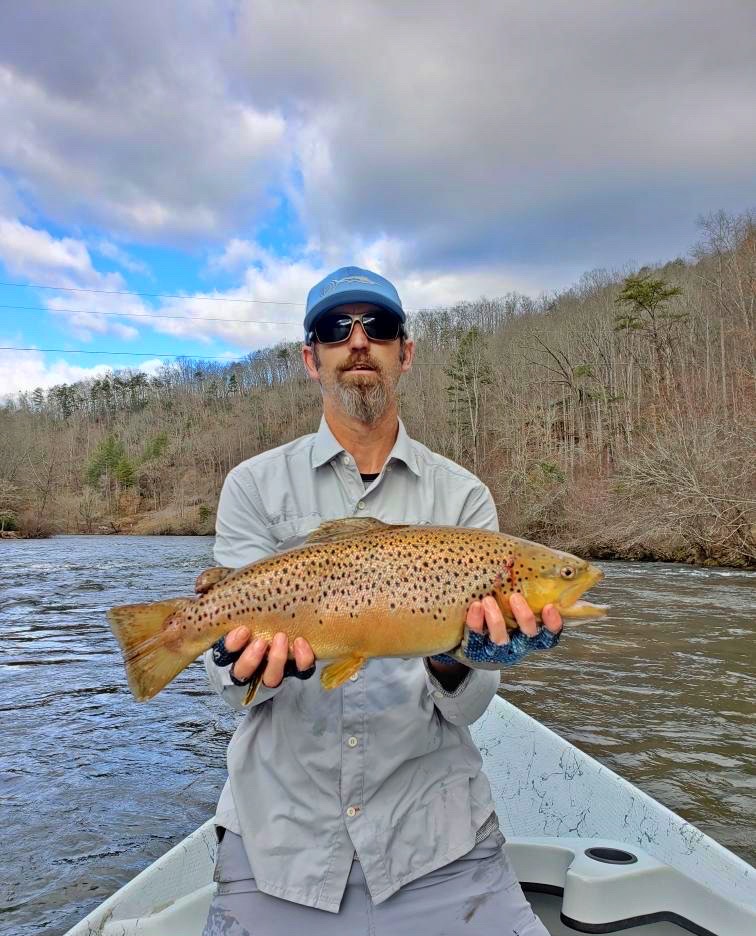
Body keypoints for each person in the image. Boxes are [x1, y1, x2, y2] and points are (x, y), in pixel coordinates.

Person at [202, 266, 563, 936]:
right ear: (312, 358)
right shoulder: (250, 487)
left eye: (380, 326)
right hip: (279, 841)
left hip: (441, 842)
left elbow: (470, 709)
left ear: (406, 352)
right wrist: (241, 662)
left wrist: (461, 660)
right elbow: (230, 690)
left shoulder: (463, 499)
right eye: (337, 328)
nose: (359, 341)